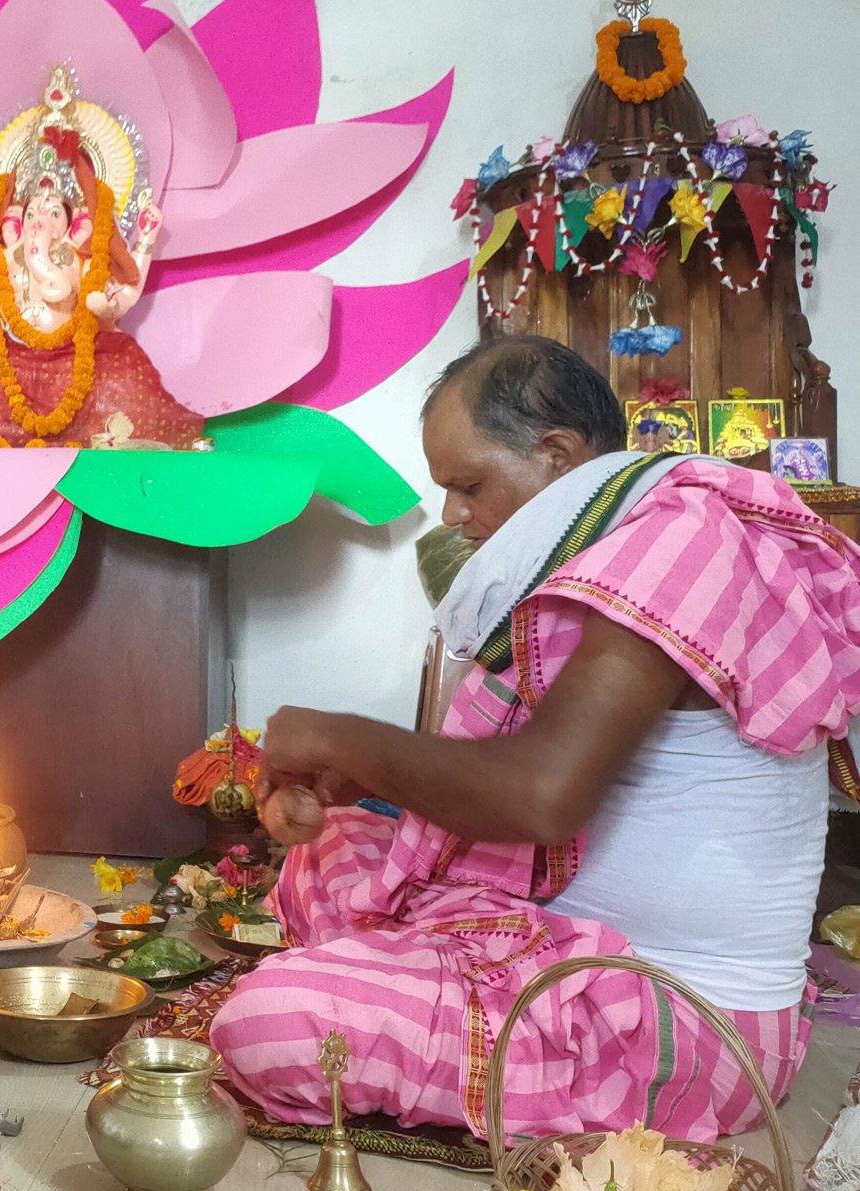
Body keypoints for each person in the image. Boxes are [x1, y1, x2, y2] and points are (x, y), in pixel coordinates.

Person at [209, 335, 860, 1143]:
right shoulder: (619, 536)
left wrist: (341, 736)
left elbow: (541, 796)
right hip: (563, 940)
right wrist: (356, 772)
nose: (451, 514)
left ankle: (399, 1004)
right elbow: (514, 773)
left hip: (676, 1022)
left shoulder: (682, 539)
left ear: (555, 456)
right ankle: (409, 991)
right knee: (326, 850)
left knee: (267, 1022)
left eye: (468, 484)